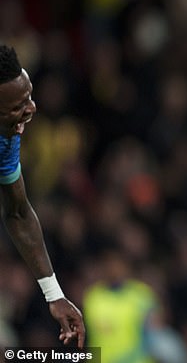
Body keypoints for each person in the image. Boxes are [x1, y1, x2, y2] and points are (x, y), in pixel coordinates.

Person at [0, 44, 85, 347]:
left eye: (30, 96)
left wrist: (55, 295)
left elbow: (18, 212)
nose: (31, 108)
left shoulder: (6, 140)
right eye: (17, 105)